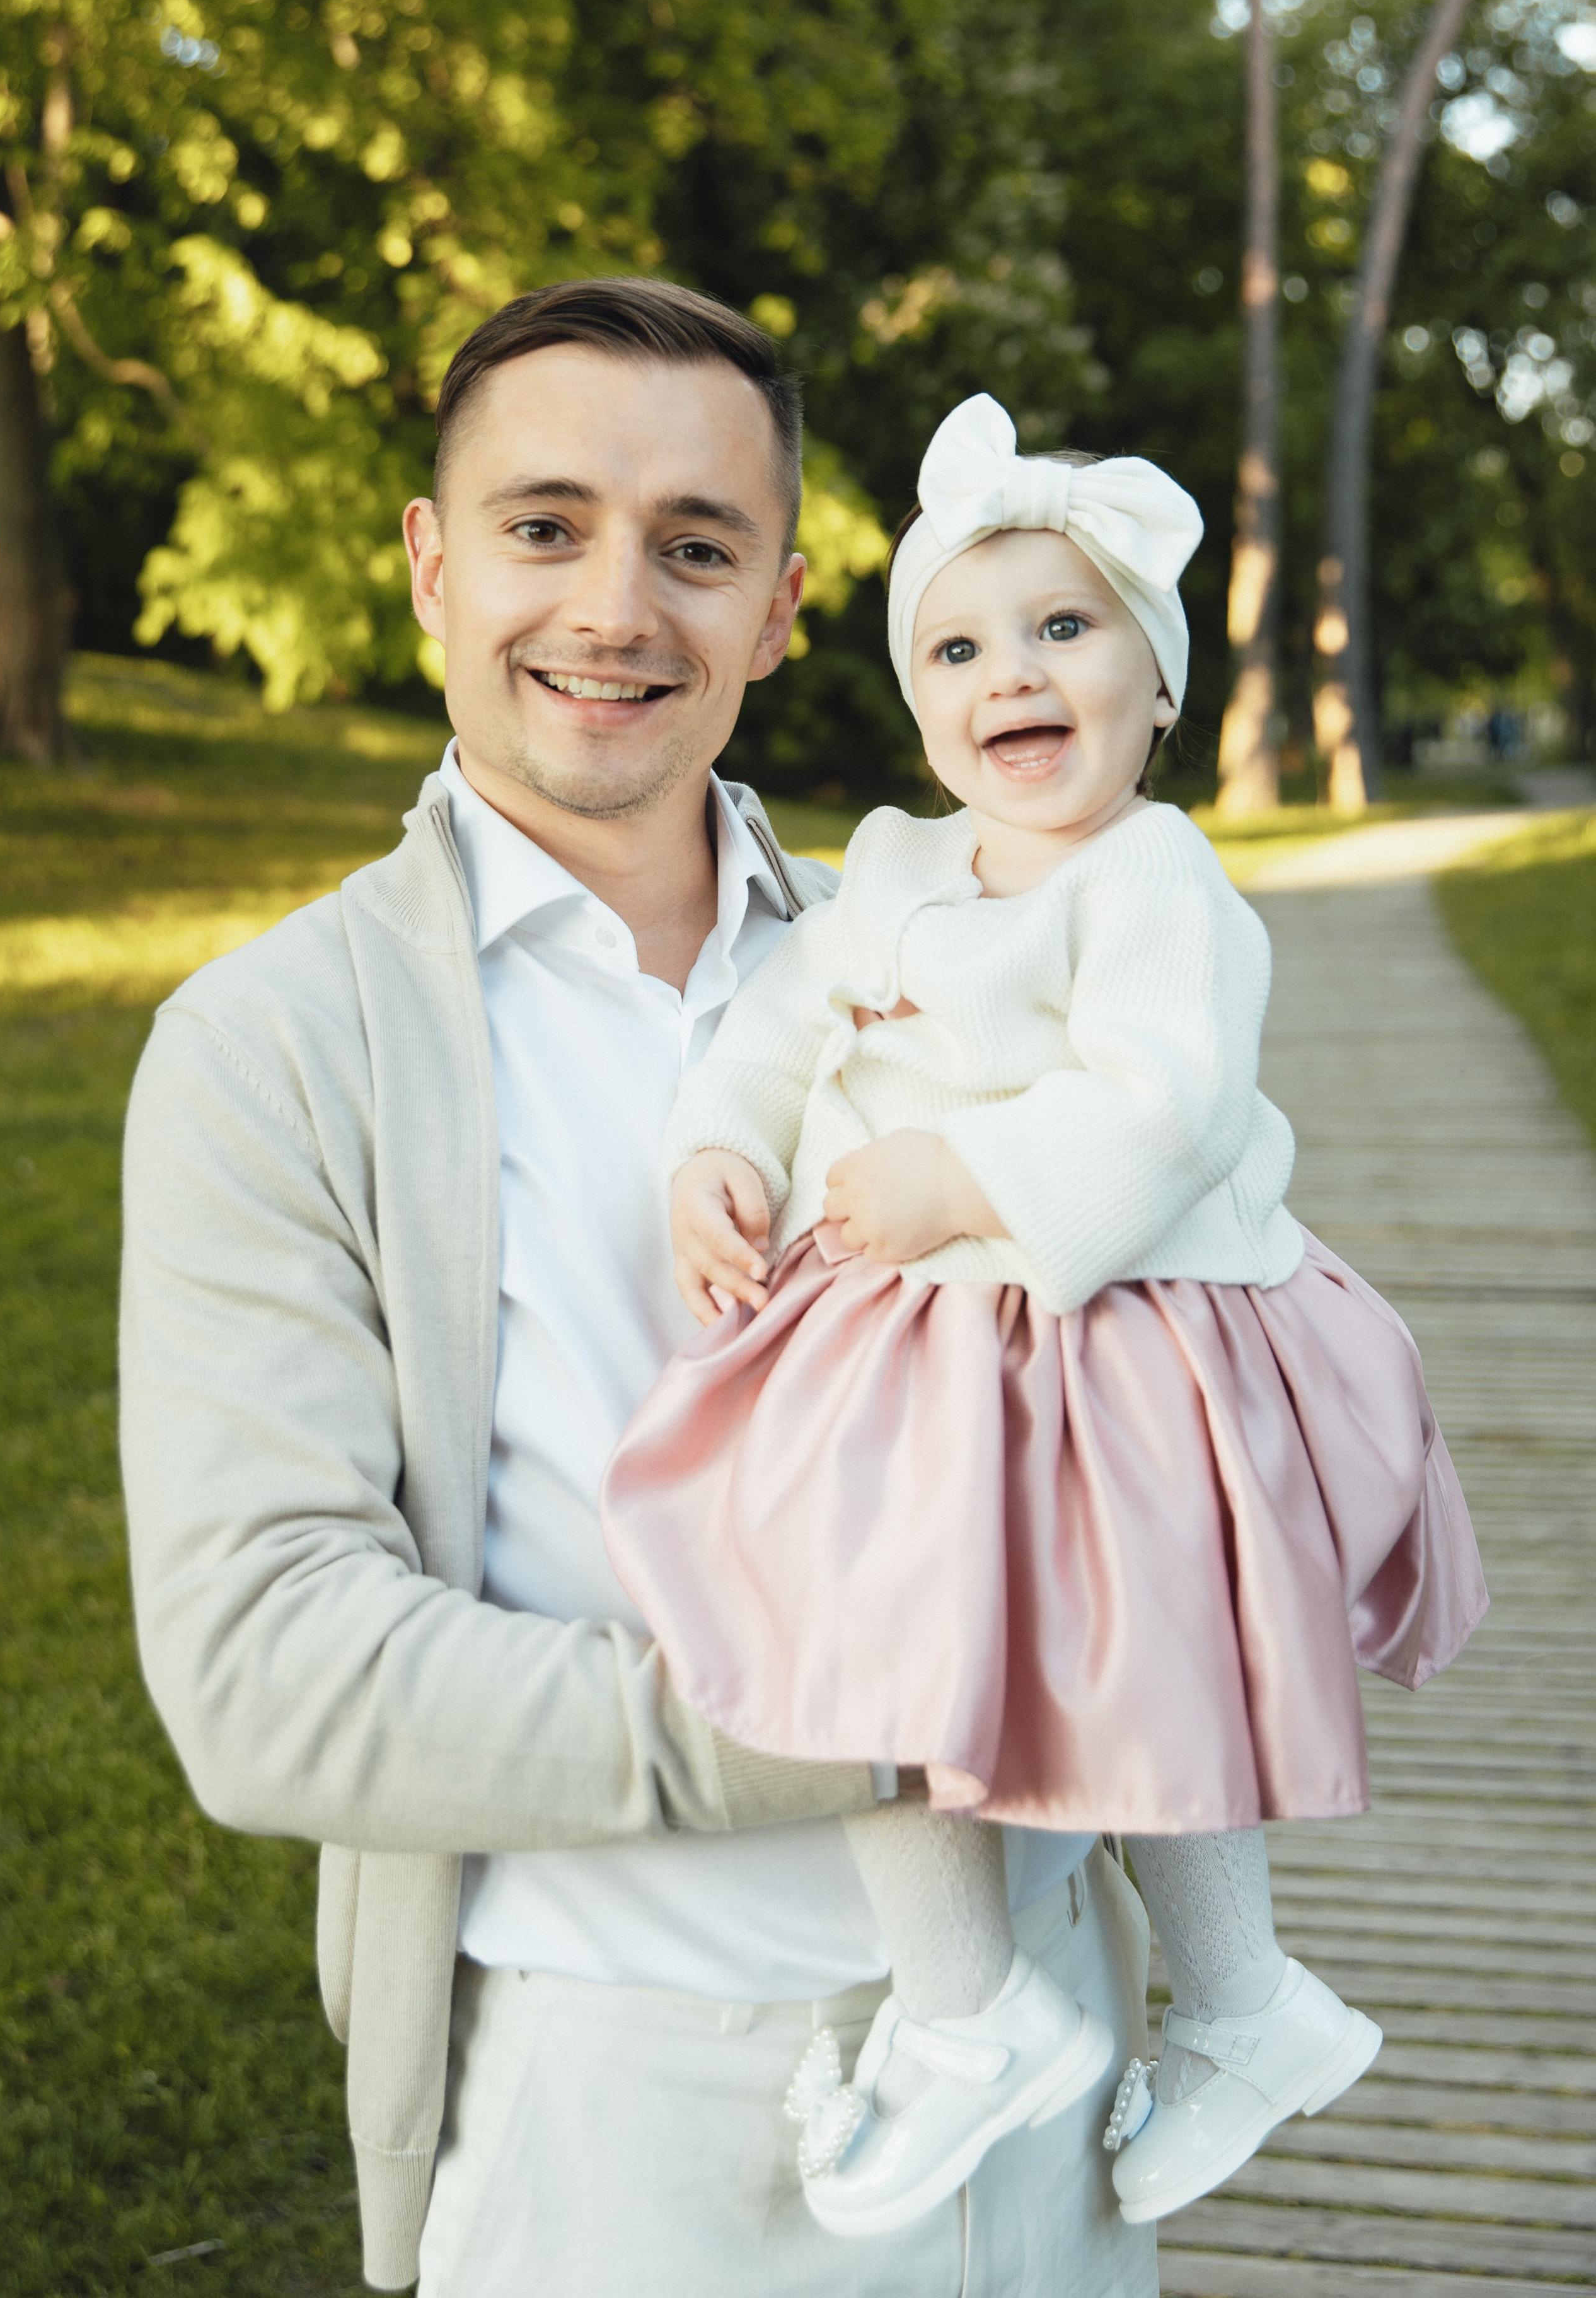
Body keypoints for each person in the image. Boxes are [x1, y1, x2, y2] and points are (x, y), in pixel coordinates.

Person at [120, 289, 1159, 2297]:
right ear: (432, 564)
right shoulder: (274, 1050)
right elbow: (268, 1674)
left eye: (695, 546)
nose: (615, 607)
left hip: (1053, 2060)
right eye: (543, 527)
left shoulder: (958, 950)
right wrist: (862, 1726)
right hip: (630, 2113)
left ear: (781, 610)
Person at [601, 392, 1491, 2238]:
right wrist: (719, 1154)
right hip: (926, 1345)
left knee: (1129, 1659)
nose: (1010, 672)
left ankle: (1231, 1997)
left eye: (1065, 628)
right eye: (958, 648)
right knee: (857, 1631)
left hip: (1109, 1333)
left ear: (1157, 688)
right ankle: (982, 2003)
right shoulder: (896, 871)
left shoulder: (1152, 874)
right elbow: (773, 1030)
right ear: (923, 710)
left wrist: (966, 1176)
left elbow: (1169, 1101)